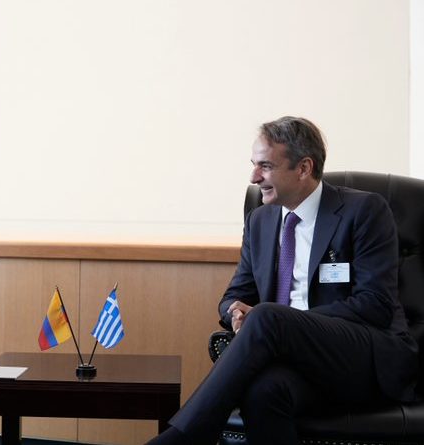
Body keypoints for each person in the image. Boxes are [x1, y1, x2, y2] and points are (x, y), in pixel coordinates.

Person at [147, 116, 418, 445]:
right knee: (264, 392)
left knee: (268, 316)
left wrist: (286, 323)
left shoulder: (363, 211)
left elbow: (375, 305)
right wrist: (235, 312)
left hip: (364, 360)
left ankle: (179, 440)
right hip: (295, 361)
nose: (253, 177)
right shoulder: (260, 220)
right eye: (253, 165)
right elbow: (234, 295)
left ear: (303, 168)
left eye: (265, 166)